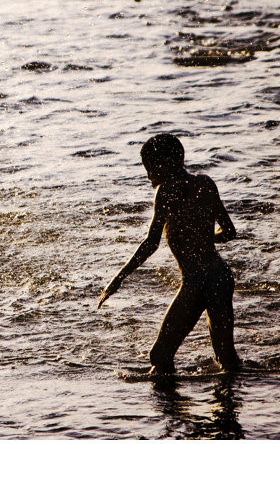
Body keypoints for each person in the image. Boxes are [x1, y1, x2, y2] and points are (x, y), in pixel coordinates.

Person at [98, 133, 240, 375]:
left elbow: (151, 243)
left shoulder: (165, 191)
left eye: (150, 168)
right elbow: (229, 232)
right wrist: (204, 239)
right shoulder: (205, 183)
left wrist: (118, 278)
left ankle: (170, 410)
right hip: (220, 276)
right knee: (225, 356)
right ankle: (229, 404)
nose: (148, 175)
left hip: (196, 282)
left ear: (165, 163)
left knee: (160, 355)